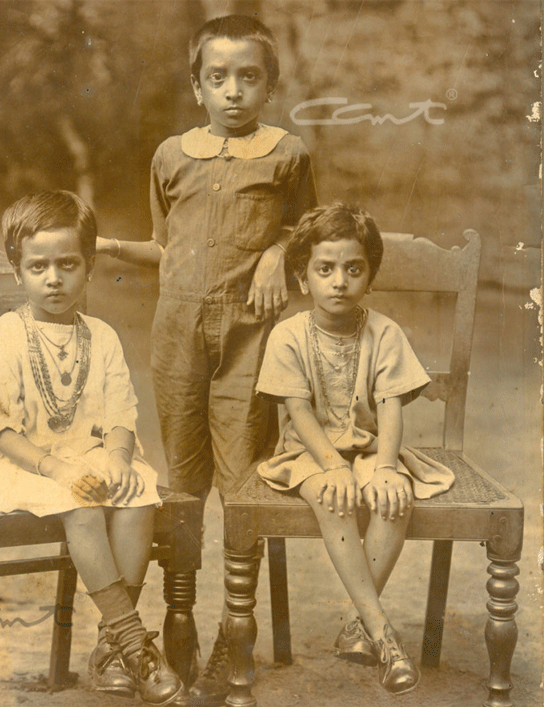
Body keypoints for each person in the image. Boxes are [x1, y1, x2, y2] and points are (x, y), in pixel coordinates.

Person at [94, 14, 317, 704]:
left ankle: (233, 630)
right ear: (196, 86)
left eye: (248, 77)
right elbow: (166, 246)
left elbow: (306, 235)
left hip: (250, 337)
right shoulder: (170, 154)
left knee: (241, 480)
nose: (232, 91)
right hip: (177, 333)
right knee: (183, 481)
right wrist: (106, 249)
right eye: (216, 77)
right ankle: (178, 615)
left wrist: (279, 251)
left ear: (269, 85)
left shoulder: (288, 154)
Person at [0, 190, 184, 706]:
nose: (54, 278)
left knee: (136, 491)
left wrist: (119, 457)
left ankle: (111, 646)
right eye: (38, 266)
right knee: (81, 505)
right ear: (17, 271)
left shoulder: (102, 337)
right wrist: (57, 468)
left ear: (88, 268)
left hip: (86, 458)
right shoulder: (2, 338)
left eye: (68, 264)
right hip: (21, 463)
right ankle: (135, 646)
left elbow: (119, 414)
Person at [255, 203, 455, 695]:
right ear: (303, 279)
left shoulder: (383, 332)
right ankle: (384, 636)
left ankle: (356, 623)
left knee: (394, 498)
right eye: (325, 269)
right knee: (331, 494)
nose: (339, 281)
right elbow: (298, 412)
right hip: (308, 451)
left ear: (370, 275)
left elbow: (390, 408)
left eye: (353, 269)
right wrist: (331, 466)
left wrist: (386, 468)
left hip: (369, 449)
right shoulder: (288, 335)